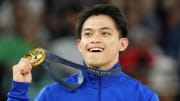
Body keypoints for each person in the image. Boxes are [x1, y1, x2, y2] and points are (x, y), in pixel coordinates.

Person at [7, 4, 159, 101]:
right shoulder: (52, 95)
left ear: (122, 44)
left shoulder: (143, 97)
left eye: (104, 33)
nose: (95, 39)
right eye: (88, 34)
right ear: (80, 45)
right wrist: (18, 92)